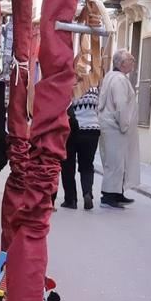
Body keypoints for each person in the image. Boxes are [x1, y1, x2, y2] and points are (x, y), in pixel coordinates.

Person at [99, 50, 141, 206]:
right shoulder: (119, 80)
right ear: (122, 64)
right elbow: (121, 105)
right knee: (115, 162)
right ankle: (109, 197)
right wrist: (124, 125)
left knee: (117, 162)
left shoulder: (111, 76)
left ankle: (117, 193)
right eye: (131, 59)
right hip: (115, 128)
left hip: (110, 126)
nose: (133, 62)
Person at [59, 81, 101, 210]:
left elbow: (64, 107)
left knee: (68, 165)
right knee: (87, 164)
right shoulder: (93, 88)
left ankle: (70, 200)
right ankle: (87, 193)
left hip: (73, 129)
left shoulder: (70, 86)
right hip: (93, 130)